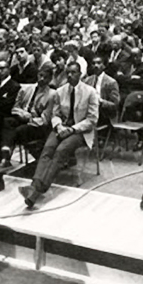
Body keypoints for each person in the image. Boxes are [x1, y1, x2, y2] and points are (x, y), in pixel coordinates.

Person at [18, 62, 99, 209]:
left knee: (61, 150)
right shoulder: (60, 92)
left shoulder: (90, 92)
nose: (69, 75)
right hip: (61, 128)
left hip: (80, 131)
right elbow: (55, 114)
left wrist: (72, 129)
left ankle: (36, 192)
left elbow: (92, 120)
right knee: (48, 149)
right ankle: (35, 185)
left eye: (73, 72)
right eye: (67, 72)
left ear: (80, 74)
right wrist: (59, 126)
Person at [0, 64, 57, 194]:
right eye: (40, 75)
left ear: (50, 79)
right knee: (7, 122)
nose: (41, 79)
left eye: (45, 77)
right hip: (24, 119)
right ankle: (5, 159)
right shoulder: (27, 89)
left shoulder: (52, 95)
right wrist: (24, 114)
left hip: (38, 127)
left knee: (14, 132)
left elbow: (45, 120)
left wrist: (29, 118)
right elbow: (15, 108)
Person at [83, 54, 120, 128]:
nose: (96, 65)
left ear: (104, 66)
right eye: (93, 63)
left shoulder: (111, 82)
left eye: (99, 63)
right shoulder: (87, 80)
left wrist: (101, 101)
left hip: (104, 112)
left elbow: (115, 105)